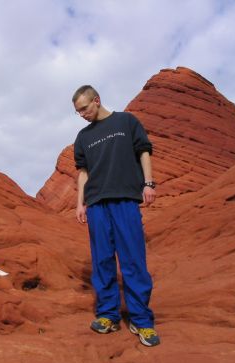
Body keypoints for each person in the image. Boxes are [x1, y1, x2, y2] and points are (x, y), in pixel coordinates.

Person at [72, 85, 160, 347]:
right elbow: (83, 173)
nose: (82, 114)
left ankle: (141, 321)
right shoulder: (83, 137)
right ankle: (108, 314)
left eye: (85, 108)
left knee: (133, 259)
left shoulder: (126, 121)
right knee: (102, 262)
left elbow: (143, 151)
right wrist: (80, 203)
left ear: (97, 100)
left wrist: (148, 183)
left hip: (125, 199)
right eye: (78, 112)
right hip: (97, 203)